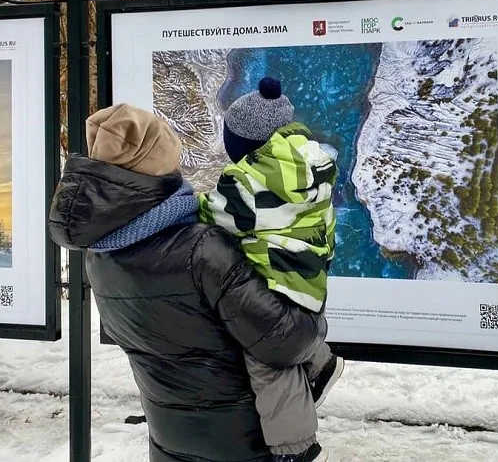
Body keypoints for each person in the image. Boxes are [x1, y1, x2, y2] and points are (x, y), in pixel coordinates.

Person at [48, 103, 329, 462]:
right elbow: (285, 341)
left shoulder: (101, 256)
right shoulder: (201, 249)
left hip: (168, 441)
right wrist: (309, 302)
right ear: (158, 161)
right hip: (241, 444)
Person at [198, 78, 344, 458]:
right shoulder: (316, 166)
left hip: (277, 287)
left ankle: (297, 448)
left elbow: (212, 216)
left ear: (242, 143)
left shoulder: (246, 182)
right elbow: (326, 226)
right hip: (308, 284)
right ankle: (319, 362)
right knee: (286, 336)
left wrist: (186, 203)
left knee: (266, 360)